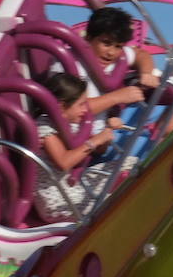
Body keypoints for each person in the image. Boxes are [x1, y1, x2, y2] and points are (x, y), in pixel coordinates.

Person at [33, 74, 136, 222]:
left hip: (73, 184)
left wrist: (107, 131)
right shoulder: (43, 126)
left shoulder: (69, 122)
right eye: (81, 104)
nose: (85, 109)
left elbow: (100, 149)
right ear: (62, 106)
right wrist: (96, 140)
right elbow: (63, 162)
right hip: (56, 199)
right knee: (117, 203)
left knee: (131, 163)